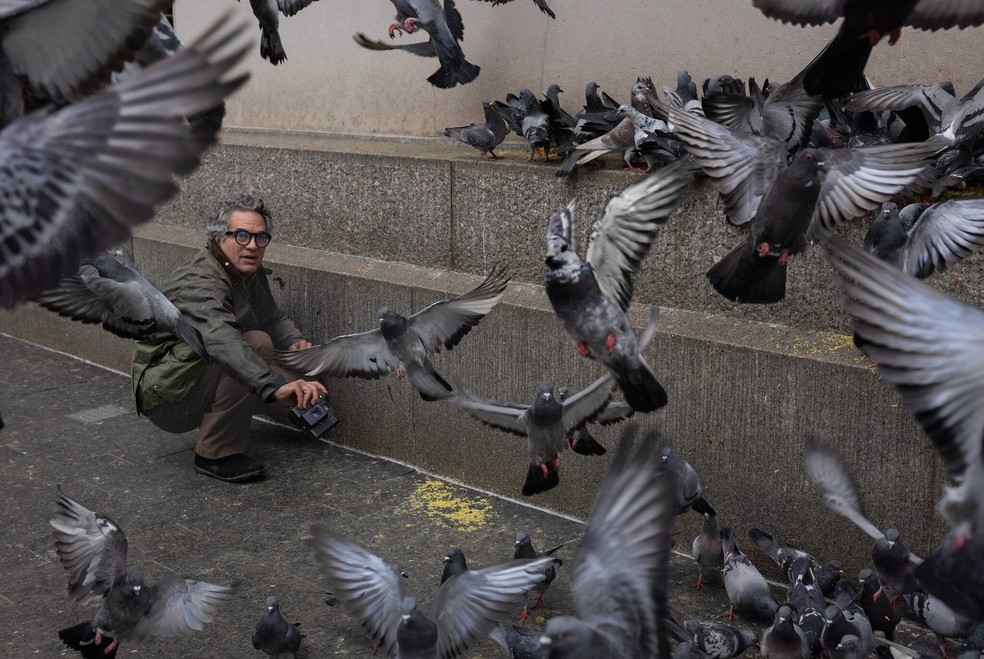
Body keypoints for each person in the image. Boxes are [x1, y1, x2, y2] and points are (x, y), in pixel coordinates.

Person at [131, 195, 327, 482]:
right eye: (242, 235)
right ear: (218, 237)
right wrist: (273, 386)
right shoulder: (199, 283)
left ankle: (290, 409)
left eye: (261, 238)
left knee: (276, 353)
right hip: (166, 395)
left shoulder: (245, 271)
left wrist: (296, 342)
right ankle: (215, 454)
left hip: (194, 371)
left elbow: (271, 318)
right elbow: (224, 342)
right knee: (252, 346)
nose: (252, 245)